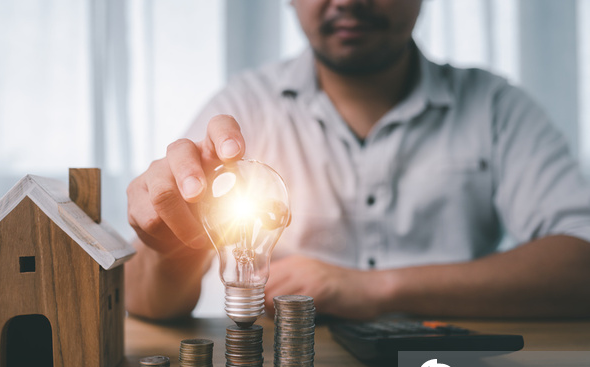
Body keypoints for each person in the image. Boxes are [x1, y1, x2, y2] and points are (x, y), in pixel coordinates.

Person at [125, 0, 590, 321]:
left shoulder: (494, 107)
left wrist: (373, 289)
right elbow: (146, 301)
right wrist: (175, 243)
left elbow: (581, 263)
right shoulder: (245, 111)